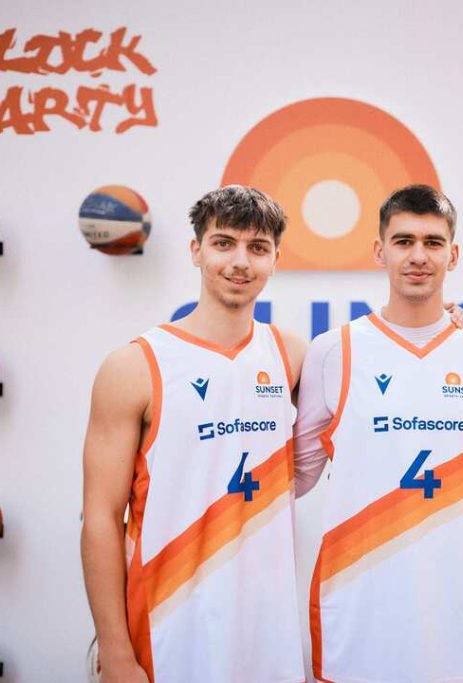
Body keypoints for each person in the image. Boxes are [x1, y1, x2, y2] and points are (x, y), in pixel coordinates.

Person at [81, 185, 307, 683]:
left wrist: (456, 324)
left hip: (268, 638)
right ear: (195, 250)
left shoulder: (291, 355)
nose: (240, 262)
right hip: (167, 630)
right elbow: (100, 517)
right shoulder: (133, 366)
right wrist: (115, 651)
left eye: (258, 248)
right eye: (223, 243)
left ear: (275, 259)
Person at [293, 185, 463, 683]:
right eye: (403, 241)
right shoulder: (333, 351)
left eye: (433, 243)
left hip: (462, 610)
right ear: (379, 251)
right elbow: (296, 476)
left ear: (453, 255)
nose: (418, 256)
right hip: (360, 605)